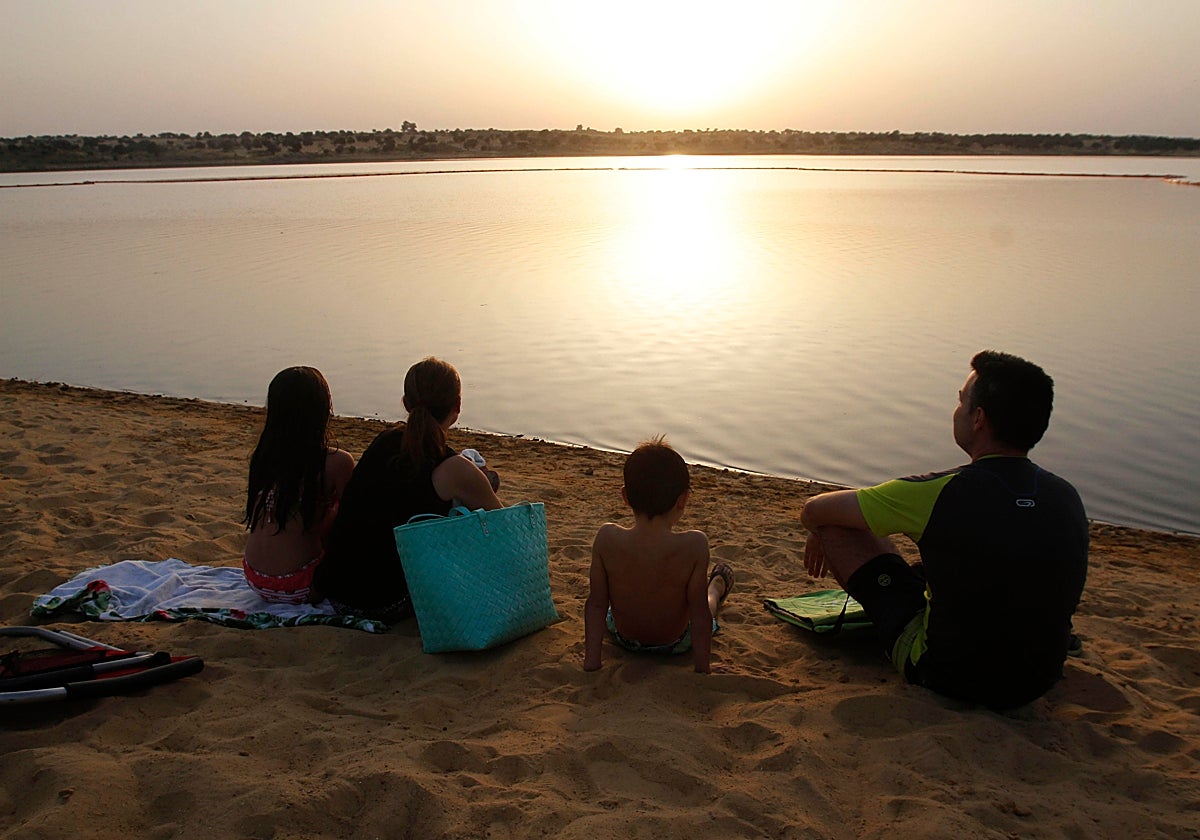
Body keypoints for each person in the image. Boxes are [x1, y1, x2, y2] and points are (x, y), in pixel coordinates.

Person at [800, 350, 1088, 709]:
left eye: (961, 402)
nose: (957, 411)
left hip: (948, 675)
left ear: (979, 418)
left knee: (836, 527)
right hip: (1036, 681)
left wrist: (817, 530)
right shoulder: (1066, 497)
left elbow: (814, 508)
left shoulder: (941, 491)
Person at [314, 357, 503, 622]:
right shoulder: (454, 468)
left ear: (406, 403)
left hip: (337, 593)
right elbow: (502, 527)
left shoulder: (384, 442)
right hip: (384, 603)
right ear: (457, 405)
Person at [584, 437, 734, 674]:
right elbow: (698, 613)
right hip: (675, 644)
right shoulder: (694, 545)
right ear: (683, 500)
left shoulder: (606, 538)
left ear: (625, 497)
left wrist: (592, 663)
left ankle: (715, 586)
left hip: (623, 638)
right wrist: (703, 668)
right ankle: (716, 588)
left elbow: (596, 604)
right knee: (707, 602)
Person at [243, 366, 355, 604]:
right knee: (338, 507)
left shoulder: (264, 457)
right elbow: (352, 524)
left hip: (254, 578)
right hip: (303, 584)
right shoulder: (336, 462)